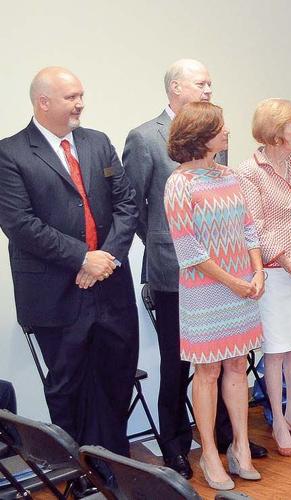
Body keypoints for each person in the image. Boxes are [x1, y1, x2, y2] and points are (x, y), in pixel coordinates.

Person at [123, 59, 266, 479]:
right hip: (182, 274)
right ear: (175, 88)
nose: (207, 90)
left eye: (209, 84)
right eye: (201, 84)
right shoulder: (146, 139)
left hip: (235, 275)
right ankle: (178, 448)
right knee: (180, 366)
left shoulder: (224, 166)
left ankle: (231, 442)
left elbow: (243, 223)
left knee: (233, 364)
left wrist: (253, 270)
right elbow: (133, 205)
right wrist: (164, 244)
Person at [0, 67, 139, 457]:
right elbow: (20, 225)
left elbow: (126, 205)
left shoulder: (98, 142)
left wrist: (105, 258)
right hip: (55, 294)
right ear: (43, 102)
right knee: (68, 386)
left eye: (81, 95)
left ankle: (117, 466)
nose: (80, 104)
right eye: (71, 97)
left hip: (111, 286)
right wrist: (82, 258)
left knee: (116, 377)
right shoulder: (10, 154)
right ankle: (78, 470)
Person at [163, 102, 264, 490]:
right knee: (207, 370)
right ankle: (208, 453)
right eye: (220, 127)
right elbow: (188, 250)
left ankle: (240, 446)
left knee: (237, 364)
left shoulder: (229, 175)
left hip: (242, 286)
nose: (226, 132)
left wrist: (256, 271)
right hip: (205, 292)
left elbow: (249, 228)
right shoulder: (179, 184)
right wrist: (233, 282)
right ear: (200, 135)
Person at [234, 98, 291, 456]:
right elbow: (256, 226)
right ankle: (276, 421)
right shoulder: (249, 171)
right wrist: (290, 265)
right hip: (274, 273)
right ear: (275, 133)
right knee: (275, 351)